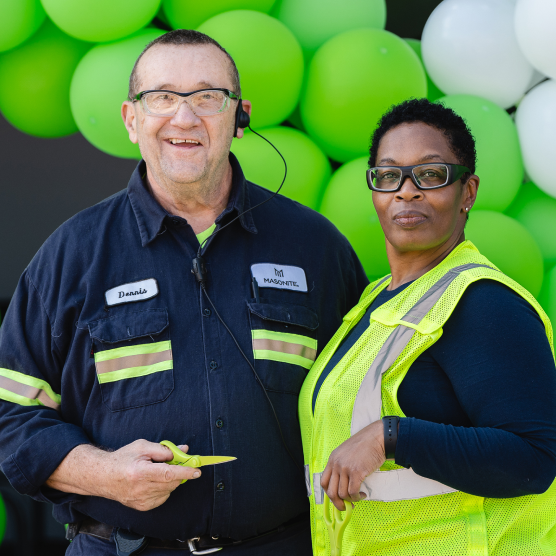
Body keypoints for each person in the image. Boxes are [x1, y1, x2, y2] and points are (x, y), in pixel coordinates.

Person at [0, 29, 368, 555]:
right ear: (132, 120)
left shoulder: (315, 247)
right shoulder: (71, 254)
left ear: (240, 117)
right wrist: (104, 473)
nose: (185, 117)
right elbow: (8, 415)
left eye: (207, 97)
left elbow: (369, 402)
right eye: (162, 97)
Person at [299, 98, 556, 556]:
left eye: (431, 175)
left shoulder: (483, 302)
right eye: (388, 175)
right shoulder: (374, 301)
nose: (407, 191)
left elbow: (534, 460)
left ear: (468, 192)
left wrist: (390, 437)